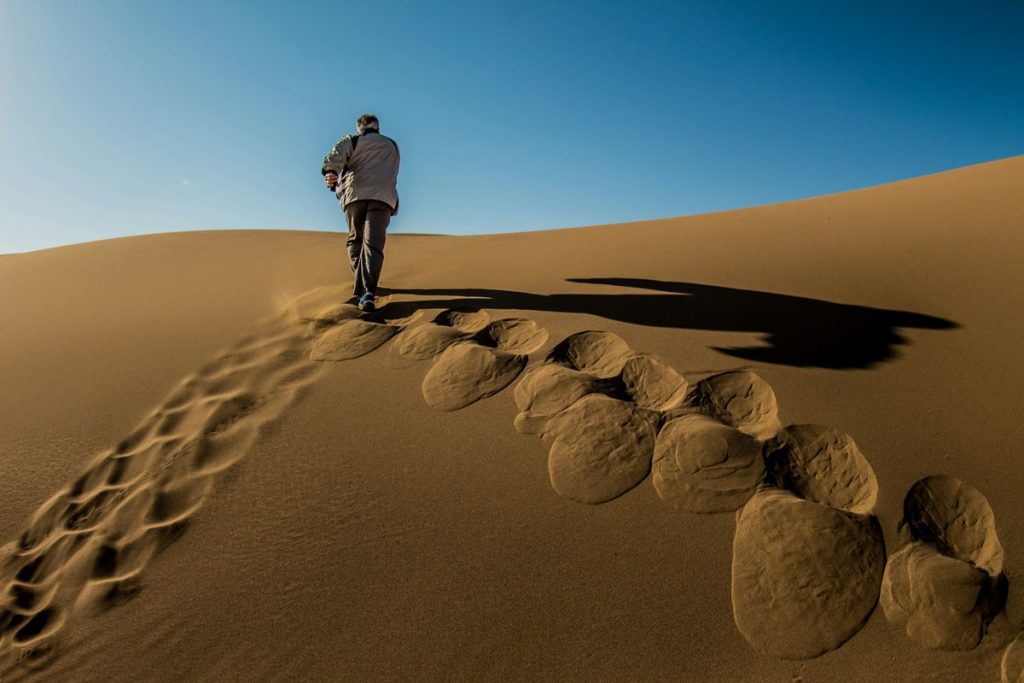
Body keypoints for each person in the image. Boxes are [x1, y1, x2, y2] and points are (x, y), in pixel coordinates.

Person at [322, 113, 400, 312]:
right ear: (378, 127)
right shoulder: (392, 145)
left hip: (355, 195)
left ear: (360, 127)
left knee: (355, 240)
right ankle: (368, 290)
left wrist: (331, 172)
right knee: (373, 245)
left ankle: (363, 286)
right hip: (383, 198)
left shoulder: (353, 140)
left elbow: (335, 156)